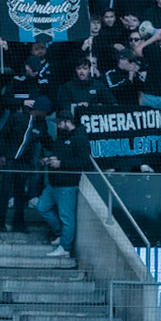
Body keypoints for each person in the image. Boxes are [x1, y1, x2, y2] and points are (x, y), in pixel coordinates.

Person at [39, 110, 91, 258]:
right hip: (54, 182)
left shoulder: (80, 138)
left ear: (67, 121)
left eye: (59, 123)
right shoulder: (62, 136)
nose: (58, 126)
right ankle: (61, 234)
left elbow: (84, 162)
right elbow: (59, 152)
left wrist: (61, 163)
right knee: (42, 207)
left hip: (67, 184)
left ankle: (65, 247)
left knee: (66, 217)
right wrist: (49, 159)